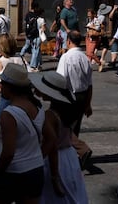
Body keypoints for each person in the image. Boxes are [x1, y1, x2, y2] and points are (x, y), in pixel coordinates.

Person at [0, 63, 58, 204]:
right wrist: (36, 157)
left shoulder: (9, 114)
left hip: (13, 173)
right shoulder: (37, 107)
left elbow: (8, 153)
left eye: (2, 83)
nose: (0, 85)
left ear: (9, 87)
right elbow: (51, 138)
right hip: (35, 171)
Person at [29, 71, 89, 204]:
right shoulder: (68, 111)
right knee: (72, 193)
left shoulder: (50, 115)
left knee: (53, 197)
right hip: (70, 156)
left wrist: (36, 161)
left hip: (55, 160)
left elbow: (51, 145)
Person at [56, 30, 93, 169]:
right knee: (74, 127)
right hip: (82, 96)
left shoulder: (66, 57)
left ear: (69, 41)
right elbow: (90, 85)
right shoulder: (85, 58)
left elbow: (60, 80)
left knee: (63, 128)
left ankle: (82, 150)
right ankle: (73, 157)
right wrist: (88, 104)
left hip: (69, 96)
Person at [0, 33, 25, 146]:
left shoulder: (0, 62)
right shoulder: (21, 60)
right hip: (22, 98)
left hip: (7, 99)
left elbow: (0, 88)